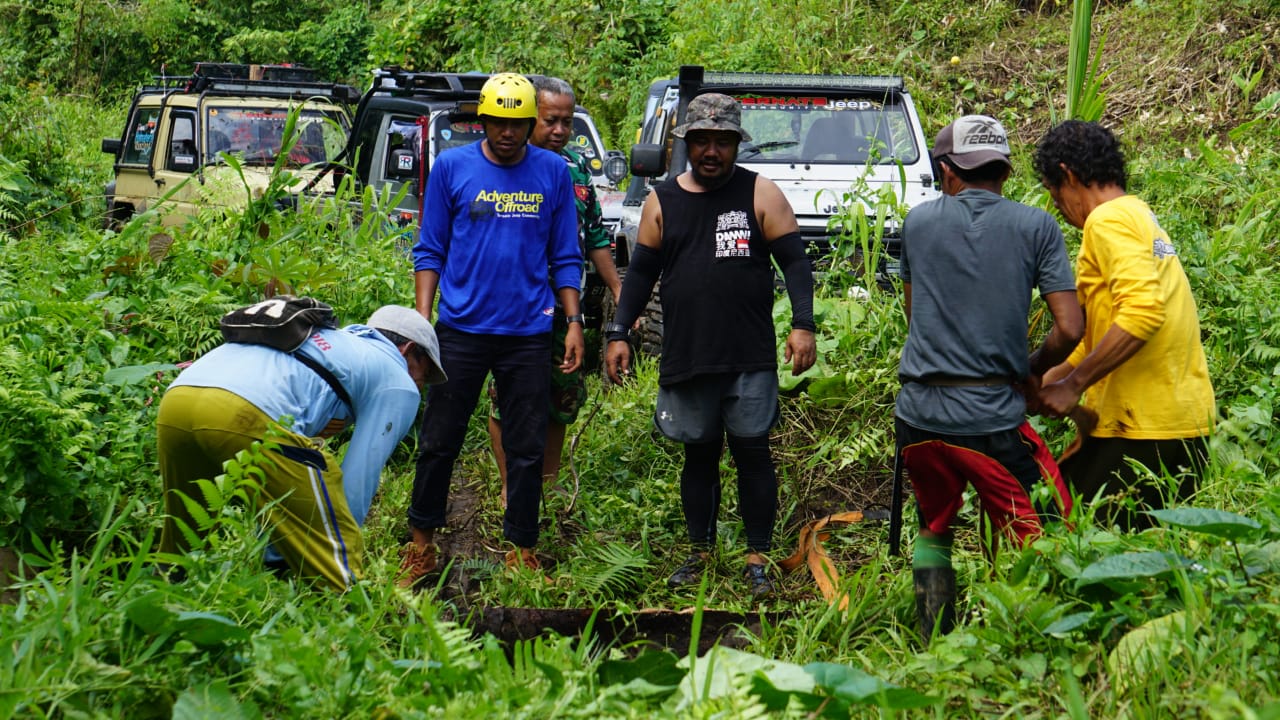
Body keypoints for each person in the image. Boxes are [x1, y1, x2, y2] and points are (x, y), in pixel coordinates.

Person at [604, 93, 817, 598]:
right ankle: (699, 553)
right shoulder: (662, 200)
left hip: (748, 356)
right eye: (702, 141)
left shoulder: (761, 194)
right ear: (687, 144)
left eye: (722, 142)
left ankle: (757, 556)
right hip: (689, 354)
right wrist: (618, 332)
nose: (712, 152)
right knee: (697, 458)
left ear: (735, 144)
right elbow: (641, 277)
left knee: (753, 454)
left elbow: (795, 263)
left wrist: (803, 325)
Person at [895, 114, 1083, 638]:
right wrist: (1030, 372)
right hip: (990, 421)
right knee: (1046, 524)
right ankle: (1026, 636)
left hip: (918, 416)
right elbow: (1070, 328)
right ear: (1002, 171)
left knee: (933, 527)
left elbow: (916, 317)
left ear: (946, 171)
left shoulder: (917, 223)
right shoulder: (1035, 226)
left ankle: (933, 637)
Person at [401, 72, 583, 586]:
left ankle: (522, 549)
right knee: (440, 439)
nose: (507, 133)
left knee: (526, 447)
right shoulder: (453, 167)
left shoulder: (552, 172)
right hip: (460, 329)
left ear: (529, 124)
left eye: (517, 124)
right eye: (498, 122)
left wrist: (573, 322)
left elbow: (565, 255)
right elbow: (430, 248)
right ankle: (421, 546)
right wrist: (422, 322)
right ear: (482, 120)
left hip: (527, 332)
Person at [157, 304, 447, 591]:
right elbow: (359, 477)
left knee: (184, 538)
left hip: (178, 400)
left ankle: (162, 602)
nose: (420, 385)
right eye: (424, 373)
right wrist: (335, 547)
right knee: (337, 574)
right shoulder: (398, 381)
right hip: (242, 411)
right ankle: (342, 621)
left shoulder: (333, 342)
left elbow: (282, 483)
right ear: (408, 350)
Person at [1033, 120, 1215, 531]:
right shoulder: (1139, 216)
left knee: (1059, 536)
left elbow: (1143, 313)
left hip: (1143, 427)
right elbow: (1102, 334)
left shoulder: (1107, 221)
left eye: (1053, 192)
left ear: (1069, 175)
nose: (1058, 207)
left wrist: (1074, 384)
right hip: (1179, 420)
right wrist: (1045, 379)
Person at [487, 75, 623, 506]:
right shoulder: (506, 166)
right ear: (530, 118)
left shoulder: (578, 170)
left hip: (567, 309)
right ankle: (512, 487)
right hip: (516, 307)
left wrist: (621, 291)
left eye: (568, 121)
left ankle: (545, 484)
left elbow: (595, 237)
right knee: (506, 400)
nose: (561, 130)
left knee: (562, 395)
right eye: (551, 121)